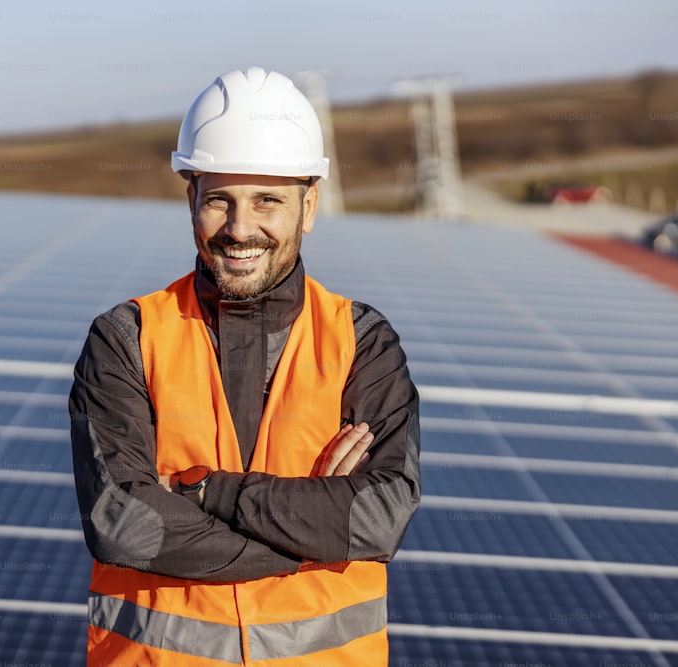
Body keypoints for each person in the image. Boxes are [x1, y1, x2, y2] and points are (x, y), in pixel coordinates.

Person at [70, 66, 421, 666]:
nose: (240, 229)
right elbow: (126, 527)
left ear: (309, 207)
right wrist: (315, 528)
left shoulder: (362, 341)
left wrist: (207, 491)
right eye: (219, 202)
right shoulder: (125, 338)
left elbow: (377, 520)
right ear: (191, 201)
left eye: (268, 201)